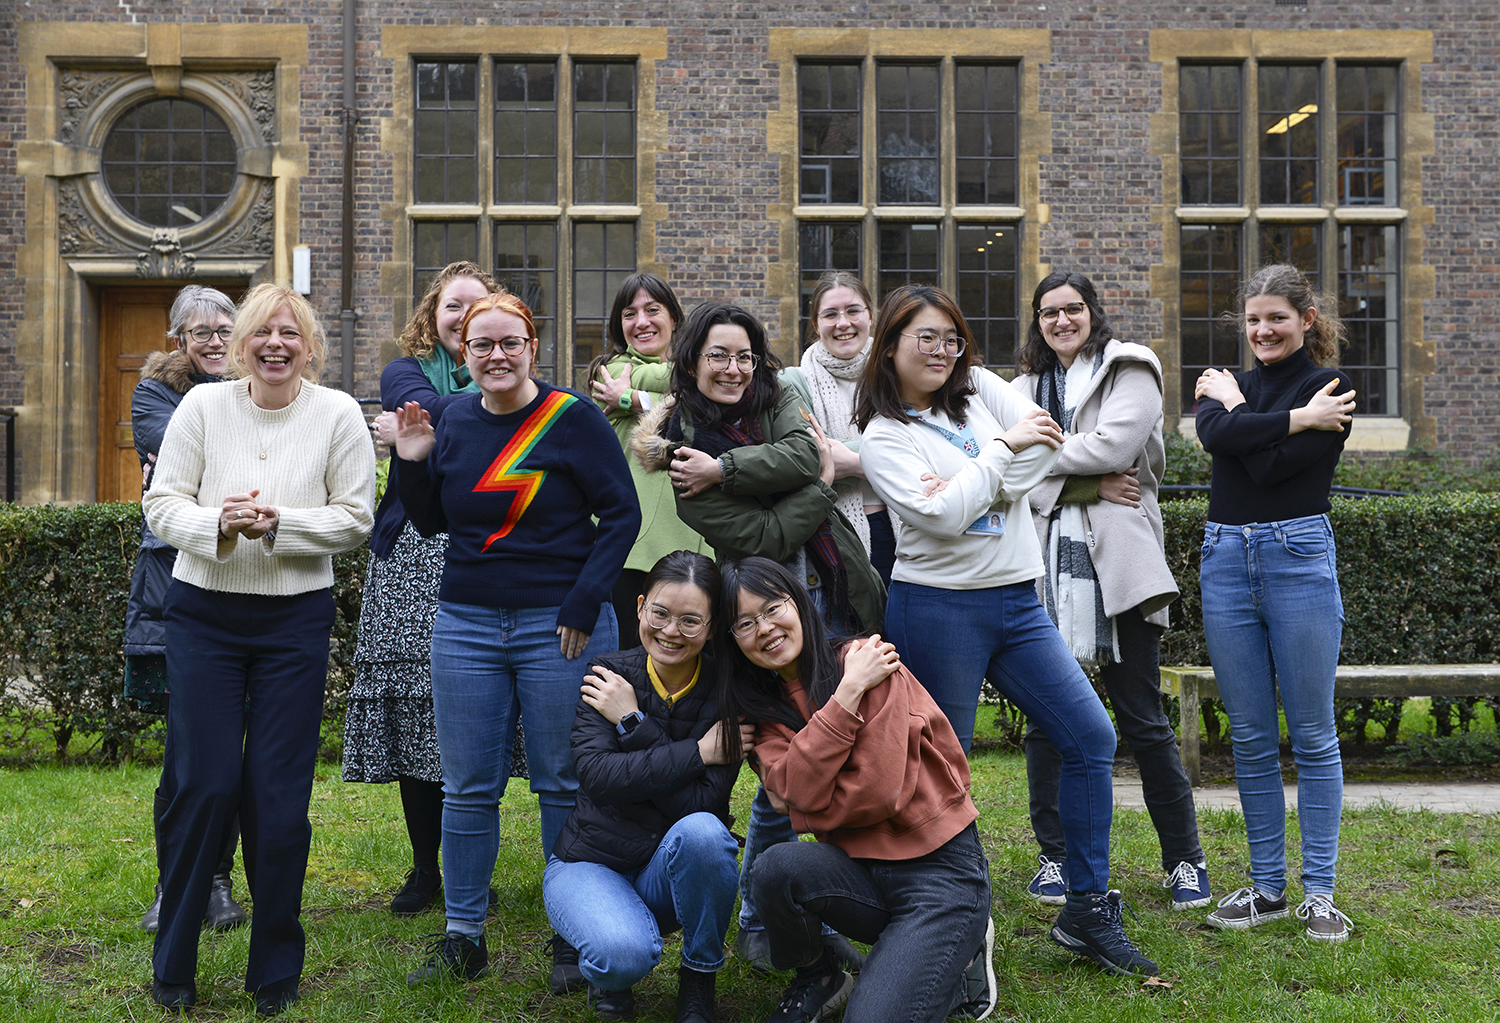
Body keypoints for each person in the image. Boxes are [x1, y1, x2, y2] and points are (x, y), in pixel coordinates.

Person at [855, 283, 1156, 978]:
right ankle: (948, 926)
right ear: (891, 346)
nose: (941, 350)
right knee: (942, 772)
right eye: (923, 337)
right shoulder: (882, 436)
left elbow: (1045, 452)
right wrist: (1001, 456)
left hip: (1019, 601)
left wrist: (985, 468)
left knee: (1091, 736)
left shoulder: (981, 389)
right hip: (936, 608)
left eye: (950, 337)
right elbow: (940, 518)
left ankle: (1085, 909)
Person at [393, 292, 641, 986]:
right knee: (469, 787)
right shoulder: (449, 418)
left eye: (510, 343)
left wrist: (585, 601)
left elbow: (621, 513)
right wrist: (411, 461)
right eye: (481, 345)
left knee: (564, 780)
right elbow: (435, 522)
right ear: (462, 353)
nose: (496, 356)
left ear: (533, 347)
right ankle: (463, 934)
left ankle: (574, 932)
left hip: (560, 625)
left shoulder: (571, 418)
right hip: (466, 622)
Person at [143, 283, 376, 1016]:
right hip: (204, 615)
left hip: (292, 622)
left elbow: (356, 516)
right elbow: (162, 501)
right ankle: (172, 959)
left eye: (291, 332)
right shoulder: (203, 408)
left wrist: (281, 525)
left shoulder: (337, 413)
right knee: (204, 783)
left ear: (310, 345)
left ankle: (275, 964)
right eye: (262, 332)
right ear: (240, 344)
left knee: (279, 801)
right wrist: (218, 521)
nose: (276, 343)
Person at [632, 299, 883, 973]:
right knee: (780, 773)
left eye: (744, 354)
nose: (733, 368)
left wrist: (734, 471)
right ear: (690, 361)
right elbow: (770, 537)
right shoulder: (681, 447)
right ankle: (756, 914)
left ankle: (849, 894)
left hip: (834, 601)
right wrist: (817, 482)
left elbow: (805, 453)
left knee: (850, 755)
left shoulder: (782, 393)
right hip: (761, 622)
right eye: (718, 354)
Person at [714, 557, 996, 1023]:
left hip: (939, 877)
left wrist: (810, 806)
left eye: (772, 608)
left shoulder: (867, 661)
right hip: (860, 873)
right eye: (744, 623)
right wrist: (845, 701)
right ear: (732, 641)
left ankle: (961, 954)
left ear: (799, 603)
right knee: (775, 867)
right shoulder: (763, 710)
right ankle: (820, 975)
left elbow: (879, 790)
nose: (763, 628)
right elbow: (792, 791)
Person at [1012, 270, 1211, 911]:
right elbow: (1003, 470)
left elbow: (1117, 446)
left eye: (1073, 309)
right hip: (1042, 567)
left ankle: (1185, 860)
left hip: (1119, 567)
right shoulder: (1019, 389)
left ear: (1093, 313)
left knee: (1143, 719)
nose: (1062, 321)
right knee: (1047, 721)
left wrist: (1040, 459)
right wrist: (1084, 483)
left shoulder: (1132, 367)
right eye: (1049, 313)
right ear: (1038, 322)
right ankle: (1054, 857)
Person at [1193, 263, 1358, 942]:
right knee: (1253, 735)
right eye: (1253, 320)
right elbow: (1216, 439)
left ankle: (1318, 892)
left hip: (1298, 558)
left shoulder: (1333, 388)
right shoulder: (1224, 385)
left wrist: (1242, 417)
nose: (1263, 330)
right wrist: (1282, 420)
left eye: (1277, 318)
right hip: (1225, 559)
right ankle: (1266, 888)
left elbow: (1261, 465)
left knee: (1313, 734)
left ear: (1306, 319)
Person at [343, 261, 506, 919]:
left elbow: (441, 427)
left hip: (479, 555)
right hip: (408, 557)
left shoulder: (501, 382)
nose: (464, 318)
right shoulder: (400, 372)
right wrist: (486, 416)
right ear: (433, 318)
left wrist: (426, 434)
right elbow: (458, 418)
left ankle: (471, 866)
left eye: (478, 309)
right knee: (415, 713)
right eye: (452, 307)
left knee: (473, 713)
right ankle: (424, 866)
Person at [544, 551, 746, 1023]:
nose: (671, 631)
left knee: (703, 831)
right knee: (622, 956)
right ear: (639, 608)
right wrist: (694, 753)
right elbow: (599, 778)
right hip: (588, 863)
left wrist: (633, 730)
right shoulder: (608, 676)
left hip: (669, 870)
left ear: (712, 627)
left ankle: (698, 979)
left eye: (691, 620)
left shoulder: (728, 693)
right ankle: (609, 972)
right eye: (660, 613)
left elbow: (702, 803)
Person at [127, 284, 248, 935]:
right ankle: (175, 883)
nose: (214, 342)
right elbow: (184, 453)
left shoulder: (257, 391)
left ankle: (220, 882)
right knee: (185, 749)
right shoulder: (153, 392)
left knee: (229, 750)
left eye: (225, 330)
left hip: (245, 583)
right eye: (200, 331)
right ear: (179, 340)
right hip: (177, 584)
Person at [588, 273, 713, 646]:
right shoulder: (613, 372)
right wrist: (701, 368)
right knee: (632, 653)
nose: (641, 322)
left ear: (675, 318)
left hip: (698, 541)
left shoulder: (675, 377)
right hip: (635, 549)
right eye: (629, 314)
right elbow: (687, 379)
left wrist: (635, 400)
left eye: (652, 310)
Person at [780, 272, 896, 585]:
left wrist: (856, 462)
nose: (843, 323)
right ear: (815, 325)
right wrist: (892, 457)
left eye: (853, 311)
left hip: (905, 527)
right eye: (830, 314)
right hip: (834, 532)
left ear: (871, 317)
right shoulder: (793, 382)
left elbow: (924, 442)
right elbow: (810, 452)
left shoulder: (899, 373)